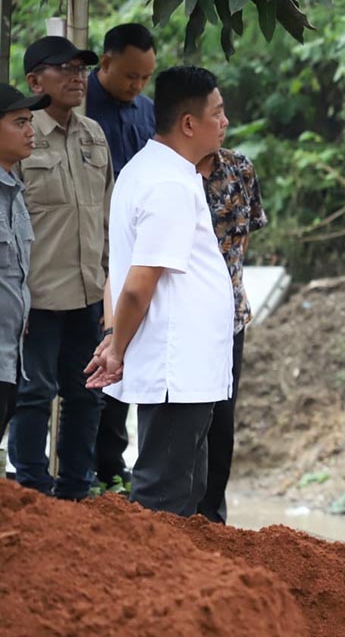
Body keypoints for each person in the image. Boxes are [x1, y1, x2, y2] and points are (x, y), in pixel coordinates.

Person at [84, 66, 233, 517]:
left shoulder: (154, 169)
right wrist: (117, 347)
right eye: (218, 112)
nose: (225, 122)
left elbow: (120, 270)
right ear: (189, 123)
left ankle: (174, 582)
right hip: (177, 368)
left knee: (185, 492)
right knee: (163, 499)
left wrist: (114, 337)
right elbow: (137, 284)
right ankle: (146, 586)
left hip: (187, 367)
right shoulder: (167, 182)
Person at [7, 37, 111, 501]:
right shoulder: (20, 136)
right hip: (40, 293)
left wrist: (109, 285)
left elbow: (106, 215)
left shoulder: (93, 134)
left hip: (88, 290)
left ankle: (74, 490)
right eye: (63, 68)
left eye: (82, 68)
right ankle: (29, 491)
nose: (77, 76)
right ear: (35, 80)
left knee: (86, 394)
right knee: (33, 394)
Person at [87, 23, 157, 489]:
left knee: (125, 353)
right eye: (130, 75)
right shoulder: (81, 108)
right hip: (87, 254)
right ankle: (82, 467)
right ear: (106, 63)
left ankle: (112, 466)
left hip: (134, 255)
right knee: (89, 362)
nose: (137, 85)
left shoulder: (149, 113)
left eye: (145, 77)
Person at [194, 144, 267, 522]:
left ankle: (211, 516)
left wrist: (229, 285)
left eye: (223, 113)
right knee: (181, 416)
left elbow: (244, 236)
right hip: (183, 317)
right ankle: (173, 511)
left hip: (228, 315)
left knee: (222, 419)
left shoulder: (239, 168)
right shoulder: (169, 171)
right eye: (213, 114)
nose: (221, 122)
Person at [0, 84, 48, 445]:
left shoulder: (14, 190)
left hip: (9, 360)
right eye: (20, 122)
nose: (31, 131)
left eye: (30, 121)